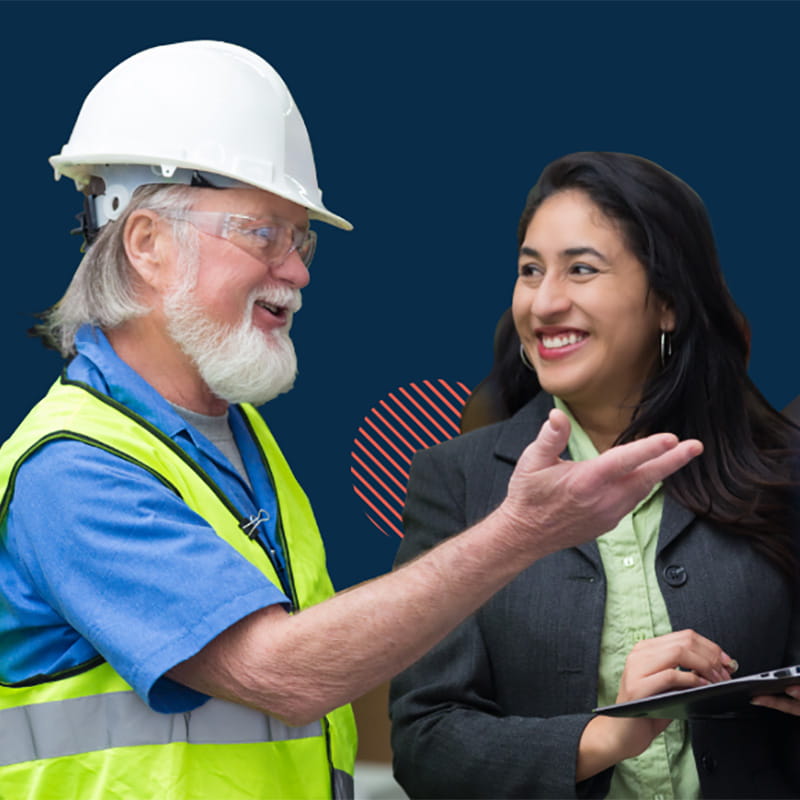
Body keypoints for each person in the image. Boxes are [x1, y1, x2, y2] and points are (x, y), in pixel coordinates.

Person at [0, 49, 702, 800]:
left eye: (300, 239)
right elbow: (284, 674)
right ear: (146, 244)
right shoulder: (73, 470)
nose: (299, 271)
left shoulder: (233, 440)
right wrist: (521, 531)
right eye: (264, 234)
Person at [389, 152, 800, 799]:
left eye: (581, 269)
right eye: (530, 271)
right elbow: (426, 743)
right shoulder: (458, 480)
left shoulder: (780, 468)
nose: (545, 302)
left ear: (666, 303)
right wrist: (607, 736)